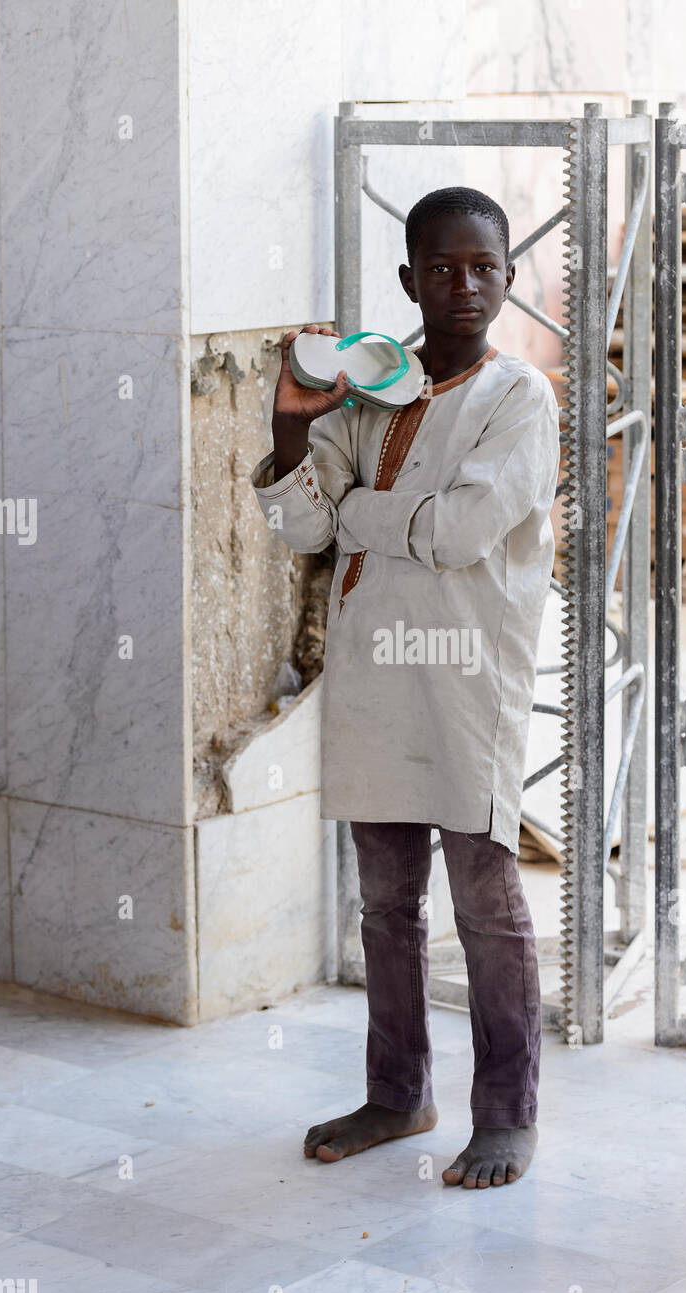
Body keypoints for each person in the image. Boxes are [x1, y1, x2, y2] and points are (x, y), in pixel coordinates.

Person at [251, 186, 559, 1189]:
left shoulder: (519, 398)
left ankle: (506, 1114)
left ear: (508, 277)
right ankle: (398, 1094)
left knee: (486, 899)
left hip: (469, 678)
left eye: (482, 267)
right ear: (408, 280)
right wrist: (294, 431)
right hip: (376, 678)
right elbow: (299, 523)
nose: (462, 286)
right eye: (440, 267)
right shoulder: (370, 392)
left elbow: (459, 531)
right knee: (386, 904)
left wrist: (357, 511)